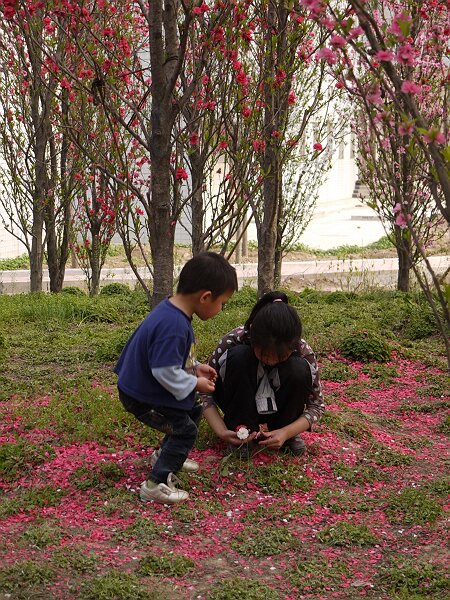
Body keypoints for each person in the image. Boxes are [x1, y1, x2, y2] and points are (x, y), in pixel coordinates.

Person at [115, 252, 238, 504]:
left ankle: (166, 455)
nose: (221, 309)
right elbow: (164, 371)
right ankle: (155, 484)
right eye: (222, 303)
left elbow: (168, 359)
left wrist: (196, 368)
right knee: (185, 431)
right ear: (205, 297)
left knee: (192, 408)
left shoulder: (172, 310)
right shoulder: (174, 325)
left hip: (146, 386)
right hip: (143, 395)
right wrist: (195, 382)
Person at [203, 291, 325, 456]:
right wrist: (221, 431)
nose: (271, 361)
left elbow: (317, 406)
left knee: (299, 368)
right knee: (239, 357)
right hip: (239, 402)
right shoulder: (233, 340)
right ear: (253, 338)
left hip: (280, 410)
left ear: (293, 345)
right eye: (264, 355)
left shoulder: (303, 350)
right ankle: (241, 430)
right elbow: (203, 392)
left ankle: (282, 434)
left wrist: (286, 432)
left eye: (281, 357)